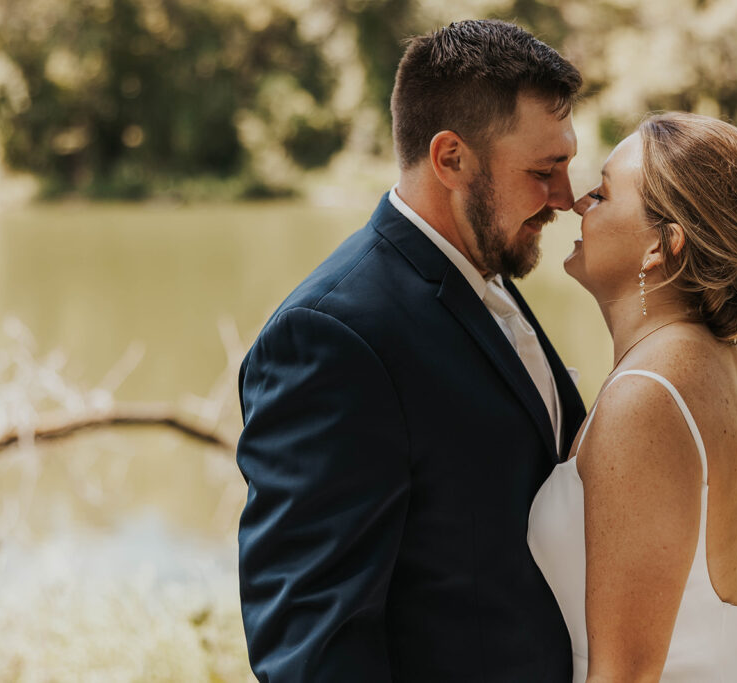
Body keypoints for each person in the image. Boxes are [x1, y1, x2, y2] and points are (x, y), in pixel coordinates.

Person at [236, 20, 586, 683]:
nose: (566, 198)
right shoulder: (332, 336)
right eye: (545, 171)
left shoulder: (489, 269)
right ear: (451, 158)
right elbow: (313, 647)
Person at [528, 111, 737, 682]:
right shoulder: (730, 371)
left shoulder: (647, 399)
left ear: (661, 245)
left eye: (602, 194)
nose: (578, 204)